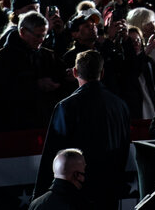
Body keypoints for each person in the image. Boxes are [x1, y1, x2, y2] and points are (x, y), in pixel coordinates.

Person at [35, 51, 130, 210]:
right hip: (110, 189)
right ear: (102, 72)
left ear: (74, 72)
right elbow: (125, 148)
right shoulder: (120, 106)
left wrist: (39, 196)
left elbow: (54, 153)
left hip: (76, 192)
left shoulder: (66, 107)